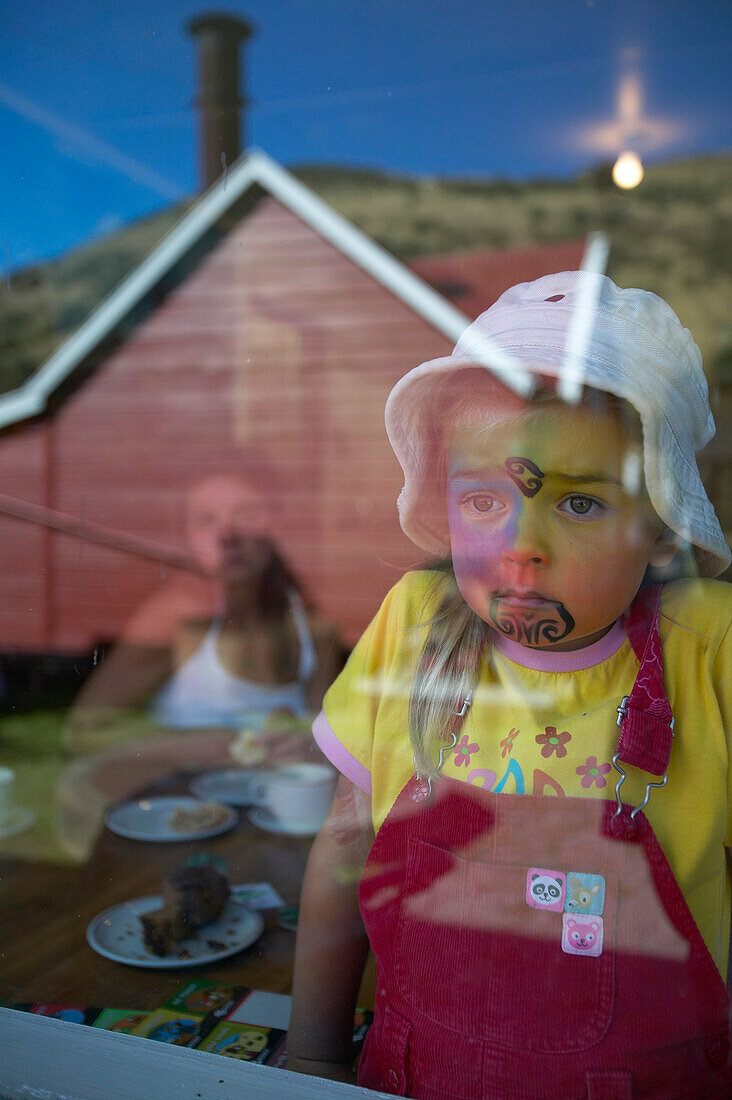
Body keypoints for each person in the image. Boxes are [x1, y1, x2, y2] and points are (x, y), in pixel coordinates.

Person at [287, 271, 732, 1096]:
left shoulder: (710, 649)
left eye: (581, 506)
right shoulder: (415, 621)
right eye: (485, 498)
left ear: (663, 528)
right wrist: (312, 1056)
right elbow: (348, 843)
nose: (520, 546)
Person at [64, 470, 342, 756]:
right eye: (206, 521)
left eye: (246, 515)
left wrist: (300, 736)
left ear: (277, 524)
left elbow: (323, 750)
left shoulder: (310, 626)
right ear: (188, 536)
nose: (226, 535)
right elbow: (83, 731)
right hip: (183, 798)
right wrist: (217, 742)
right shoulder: (180, 616)